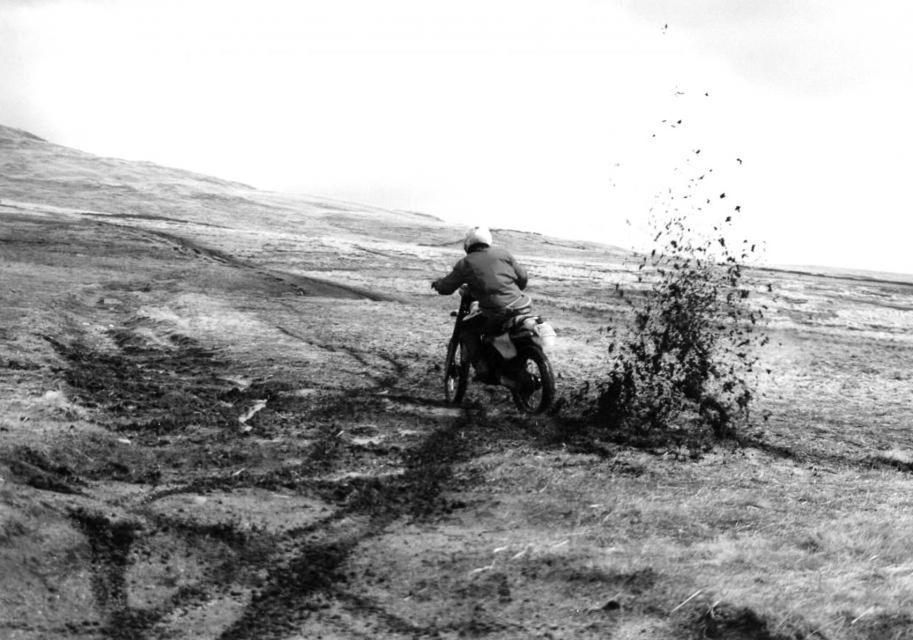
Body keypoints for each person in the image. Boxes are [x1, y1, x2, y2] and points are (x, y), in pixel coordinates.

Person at [432, 226, 531, 382]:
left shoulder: (466, 263)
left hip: (498, 311)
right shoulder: (503, 254)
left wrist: (437, 284)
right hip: (523, 306)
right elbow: (523, 278)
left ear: (468, 244)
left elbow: (446, 287)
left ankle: (483, 368)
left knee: (467, 329)